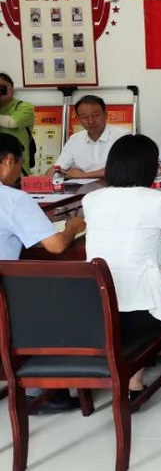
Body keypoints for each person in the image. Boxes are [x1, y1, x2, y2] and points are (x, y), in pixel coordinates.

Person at [84, 134, 161, 396]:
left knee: (141, 283)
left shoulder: (92, 199)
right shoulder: (156, 200)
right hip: (144, 314)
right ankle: (145, 381)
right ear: (149, 167)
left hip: (99, 309)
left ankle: (132, 380)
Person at [0, 133, 86, 413]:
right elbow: (56, 245)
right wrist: (73, 227)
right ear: (9, 161)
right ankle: (39, 390)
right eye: (18, 164)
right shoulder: (13, 199)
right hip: (5, 300)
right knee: (61, 294)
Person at [48, 95, 130, 178]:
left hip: (113, 185)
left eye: (95, 115)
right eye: (85, 117)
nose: (91, 121)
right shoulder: (75, 139)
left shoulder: (122, 136)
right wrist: (54, 173)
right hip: (79, 186)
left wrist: (83, 175)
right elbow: (57, 168)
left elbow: (124, 168)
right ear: (78, 119)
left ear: (105, 114)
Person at [0, 73, 35, 174]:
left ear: (12, 89)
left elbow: (12, 122)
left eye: (3, 87)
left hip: (17, 171)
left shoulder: (24, 107)